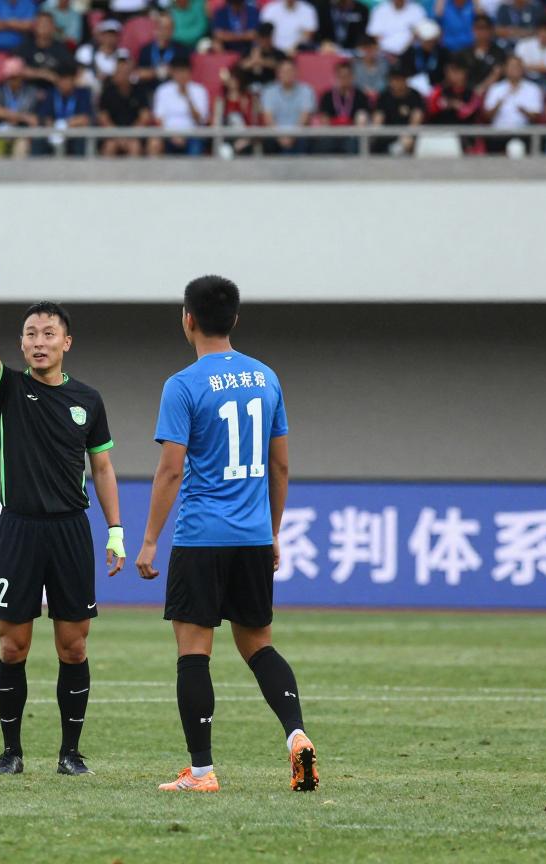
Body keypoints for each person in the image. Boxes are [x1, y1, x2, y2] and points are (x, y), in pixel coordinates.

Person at [135, 275, 317, 796]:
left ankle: (201, 772)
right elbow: (280, 466)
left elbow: (171, 469)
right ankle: (297, 734)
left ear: (187, 319)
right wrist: (273, 532)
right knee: (259, 645)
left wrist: (150, 540)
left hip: (201, 537)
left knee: (194, 652)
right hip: (253, 537)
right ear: (234, 319)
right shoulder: (266, 377)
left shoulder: (183, 385)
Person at [0, 263, 126, 778]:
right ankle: (11, 753)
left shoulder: (89, 400)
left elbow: (102, 467)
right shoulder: (8, 390)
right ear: (21, 344)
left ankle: (70, 754)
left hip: (70, 532)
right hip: (18, 530)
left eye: (49, 334)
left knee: (73, 646)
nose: (39, 342)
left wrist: (116, 530)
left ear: (66, 343)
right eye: (31, 334)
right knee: (12, 646)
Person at [148, 54, 210, 156]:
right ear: (172, 72)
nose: (181, 75)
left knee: (196, 146)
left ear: (190, 72)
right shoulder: (163, 90)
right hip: (168, 135)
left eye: (184, 71)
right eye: (178, 72)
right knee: (154, 143)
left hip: (193, 135)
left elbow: (201, 120)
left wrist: (188, 97)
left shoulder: (199, 90)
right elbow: (158, 119)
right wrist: (172, 136)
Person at [482, 53, 543, 153]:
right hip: (498, 133)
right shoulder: (495, 89)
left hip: (522, 133)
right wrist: (498, 105)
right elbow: (487, 116)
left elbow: (537, 117)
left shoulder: (533, 89)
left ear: (522, 69)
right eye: (511, 66)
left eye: (517, 66)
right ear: (505, 69)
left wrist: (524, 111)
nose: (515, 69)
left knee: (516, 148)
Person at [97, 51, 150, 156]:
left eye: (125, 72)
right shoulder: (107, 92)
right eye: (119, 71)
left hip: (133, 135)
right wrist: (118, 136)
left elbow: (145, 116)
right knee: (110, 146)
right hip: (112, 136)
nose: (122, 74)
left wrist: (129, 135)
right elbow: (103, 118)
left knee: (135, 147)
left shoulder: (139, 90)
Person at [38, 58, 93, 156]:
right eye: (61, 80)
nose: (64, 83)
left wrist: (65, 125)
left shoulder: (83, 93)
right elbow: (45, 117)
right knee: (39, 138)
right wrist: (55, 126)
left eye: (67, 79)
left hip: (74, 132)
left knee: (81, 138)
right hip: (53, 132)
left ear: (73, 80)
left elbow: (85, 118)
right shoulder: (51, 94)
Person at [260, 57, 316, 154]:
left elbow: (305, 117)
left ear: (296, 72)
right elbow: (268, 118)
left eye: (290, 71)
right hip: (276, 135)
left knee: (305, 141)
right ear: (278, 73)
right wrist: (280, 137)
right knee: (268, 141)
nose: (287, 74)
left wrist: (291, 137)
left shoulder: (306, 90)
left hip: (299, 134)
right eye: (284, 71)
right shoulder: (269, 91)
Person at [0, 56, 39, 158]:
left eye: (15, 77)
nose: (12, 81)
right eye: (9, 77)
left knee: (22, 147)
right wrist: (22, 117)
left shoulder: (30, 91)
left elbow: (33, 117)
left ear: (21, 76)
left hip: (22, 131)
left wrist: (8, 115)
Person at [316, 59, 371, 152]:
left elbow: (364, 117)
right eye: (341, 76)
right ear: (336, 76)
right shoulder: (327, 95)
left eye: (347, 76)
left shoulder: (360, 95)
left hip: (352, 134)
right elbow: (324, 117)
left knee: (353, 143)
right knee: (323, 143)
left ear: (352, 76)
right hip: (332, 133)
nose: (344, 79)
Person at [371, 64, 424, 153]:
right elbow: (378, 117)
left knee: (406, 142)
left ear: (405, 80)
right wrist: (376, 132)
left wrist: (408, 134)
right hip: (387, 134)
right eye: (393, 79)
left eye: (399, 79)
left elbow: (417, 117)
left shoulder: (415, 96)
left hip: (407, 135)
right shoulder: (384, 96)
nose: (396, 82)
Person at [136, 12, 191, 96]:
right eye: (162, 27)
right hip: (150, 92)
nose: (165, 31)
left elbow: (185, 74)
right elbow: (139, 74)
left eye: (169, 28)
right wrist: (157, 72)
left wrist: (170, 71)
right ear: (156, 28)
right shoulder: (146, 50)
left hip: (174, 93)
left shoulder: (181, 50)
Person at [18, 11, 72, 91]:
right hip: (28, 91)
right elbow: (17, 70)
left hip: (54, 91)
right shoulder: (25, 46)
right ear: (35, 26)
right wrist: (42, 74)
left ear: (53, 27)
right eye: (40, 23)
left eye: (46, 24)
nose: (43, 26)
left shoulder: (61, 48)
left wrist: (61, 81)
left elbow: (72, 70)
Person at [399, 18, 447, 97]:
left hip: (436, 88)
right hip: (413, 89)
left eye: (431, 41)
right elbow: (403, 67)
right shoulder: (411, 52)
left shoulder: (442, 53)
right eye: (426, 41)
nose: (429, 44)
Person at [513, 17, 546, 86]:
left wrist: (531, 67)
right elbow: (518, 66)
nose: (545, 34)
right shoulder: (524, 44)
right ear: (537, 30)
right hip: (526, 81)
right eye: (543, 30)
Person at [465, 14, 504, 94]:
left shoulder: (499, 52)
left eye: (485, 28)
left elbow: (497, 73)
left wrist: (482, 88)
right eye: (478, 28)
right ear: (473, 30)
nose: (482, 32)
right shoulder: (465, 53)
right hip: (468, 94)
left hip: (492, 93)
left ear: (491, 30)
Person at [238, 23, 286, 87]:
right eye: (262, 38)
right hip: (250, 86)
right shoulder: (249, 52)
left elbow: (282, 66)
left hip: (271, 86)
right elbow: (241, 66)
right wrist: (253, 61)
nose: (264, 41)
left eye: (267, 37)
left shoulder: (279, 53)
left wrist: (262, 61)